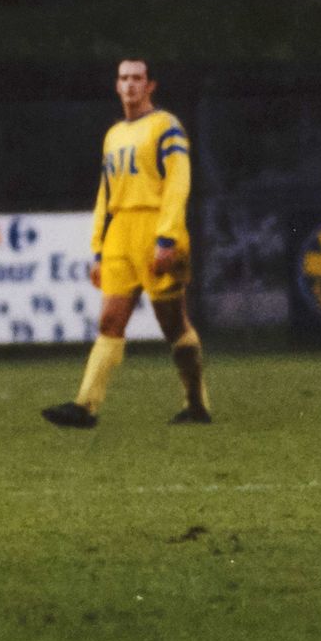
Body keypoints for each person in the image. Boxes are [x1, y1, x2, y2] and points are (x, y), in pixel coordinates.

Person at [42, 58, 211, 429]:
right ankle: (85, 406)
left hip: (155, 230)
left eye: (137, 78)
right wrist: (99, 247)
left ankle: (196, 403)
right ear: (117, 86)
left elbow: (178, 183)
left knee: (172, 323)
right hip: (121, 232)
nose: (130, 84)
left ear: (150, 86)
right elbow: (106, 193)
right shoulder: (114, 134)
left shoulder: (166, 126)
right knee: (110, 319)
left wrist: (167, 237)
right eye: (124, 78)